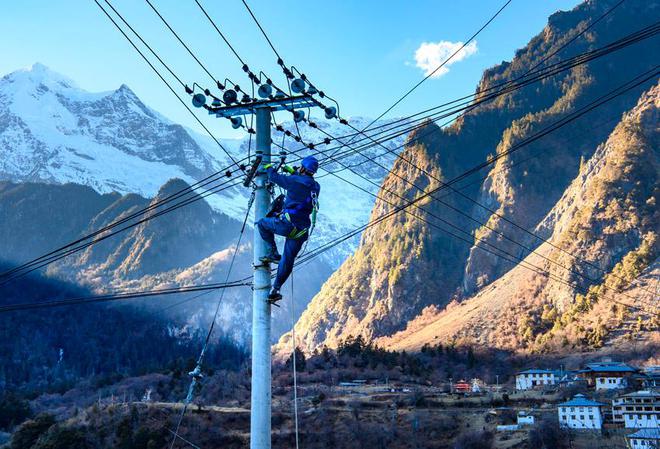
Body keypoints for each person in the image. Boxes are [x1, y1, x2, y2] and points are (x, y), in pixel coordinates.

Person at [257, 155, 320, 303]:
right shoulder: (316, 186)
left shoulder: (293, 181)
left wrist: (269, 167)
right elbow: (304, 184)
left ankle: (273, 253)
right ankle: (275, 289)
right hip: (301, 231)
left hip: (287, 225)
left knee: (262, 224)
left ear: (303, 168)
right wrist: (293, 172)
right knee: (288, 259)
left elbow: (273, 177)